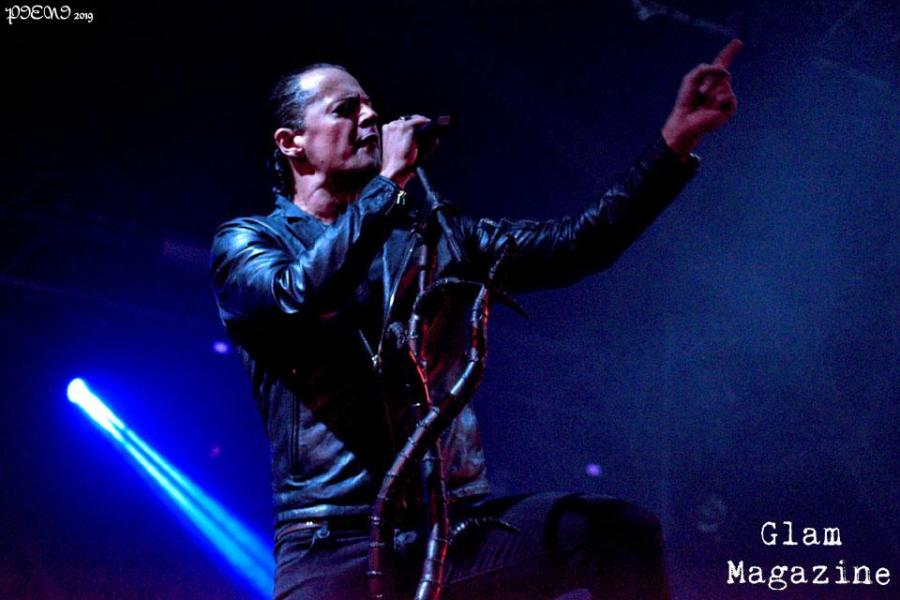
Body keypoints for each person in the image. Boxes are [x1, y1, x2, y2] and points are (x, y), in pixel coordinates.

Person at [210, 40, 742, 600]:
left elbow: (579, 244)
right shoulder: (249, 244)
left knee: (616, 533)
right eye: (345, 109)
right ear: (291, 142)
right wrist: (387, 187)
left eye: (370, 106)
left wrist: (675, 142)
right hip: (333, 540)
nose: (370, 117)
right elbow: (301, 297)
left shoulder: (432, 238)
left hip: (452, 527)